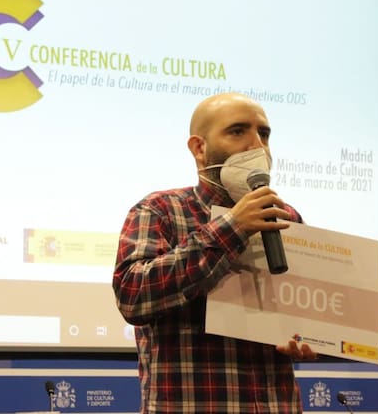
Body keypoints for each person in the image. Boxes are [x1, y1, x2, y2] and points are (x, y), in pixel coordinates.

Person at [113, 92, 315, 414]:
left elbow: (309, 317)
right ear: (199, 148)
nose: (257, 146)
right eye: (238, 131)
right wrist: (233, 227)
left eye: (264, 134)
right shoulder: (160, 210)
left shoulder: (285, 217)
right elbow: (132, 296)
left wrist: (310, 338)